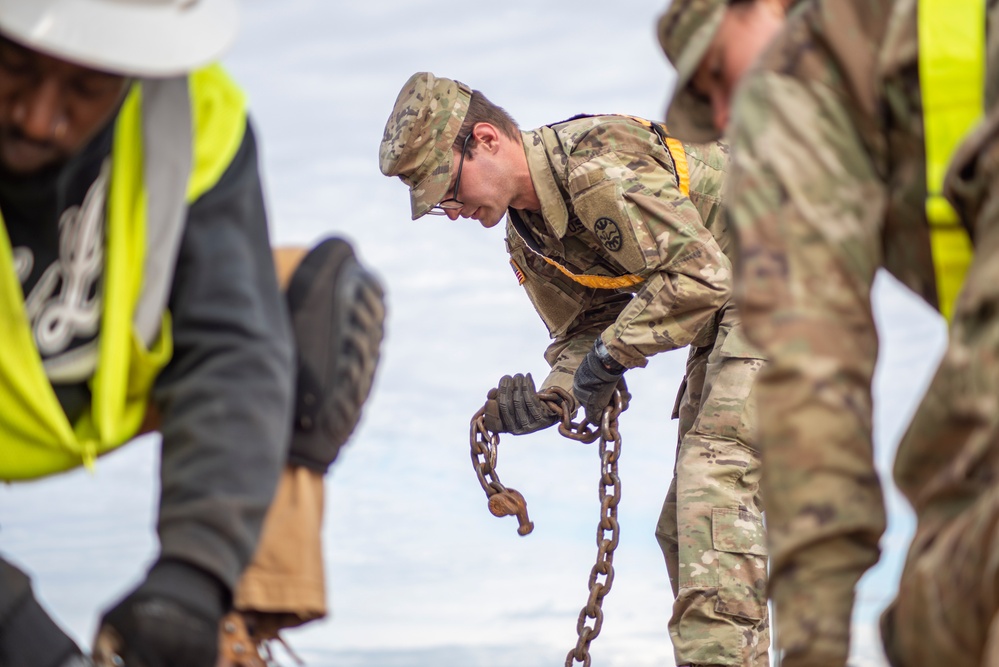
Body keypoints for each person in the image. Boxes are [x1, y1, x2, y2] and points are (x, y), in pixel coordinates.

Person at [0, 1, 385, 666]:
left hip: (85, 386)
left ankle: (231, 620)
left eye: (85, 87)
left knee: (300, 298)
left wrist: (194, 575)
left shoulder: (196, 114)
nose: (37, 116)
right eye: (11, 68)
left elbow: (233, 349)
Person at [379, 71, 769, 667]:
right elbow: (585, 330)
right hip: (729, 304)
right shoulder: (527, 239)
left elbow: (699, 277)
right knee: (688, 532)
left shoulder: (597, 164)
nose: (451, 211)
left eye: (448, 189)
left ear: (485, 139)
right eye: (439, 206)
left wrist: (609, 359)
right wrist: (553, 398)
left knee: (713, 490)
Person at [657, 0, 998, 664]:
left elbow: (813, 367)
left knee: (947, 602)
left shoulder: (800, 72)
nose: (724, 116)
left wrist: (814, 642)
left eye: (717, 74)